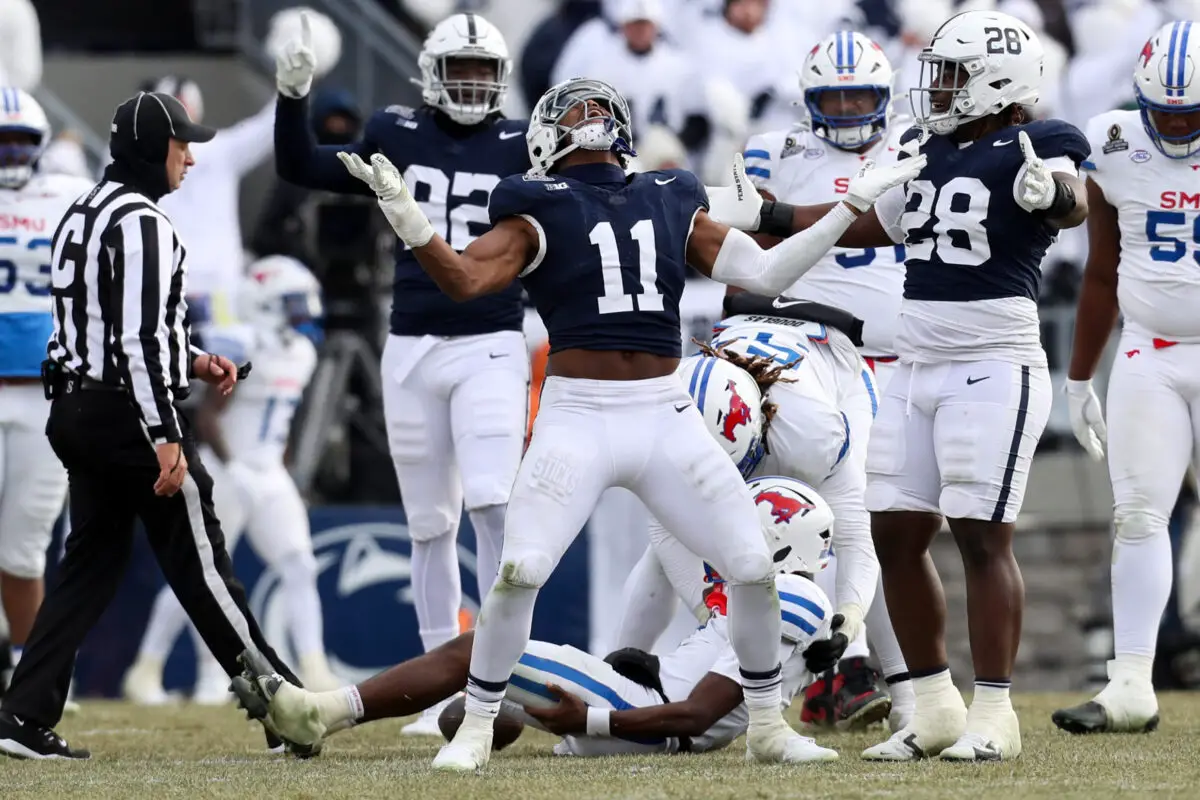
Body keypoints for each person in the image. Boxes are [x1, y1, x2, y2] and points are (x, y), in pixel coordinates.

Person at [336, 74, 922, 770]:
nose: (585, 120)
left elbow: (764, 276)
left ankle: (767, 726)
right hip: (579, 415)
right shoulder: (538, 206)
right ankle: (475, 726)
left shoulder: (668, 194)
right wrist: (413, 225)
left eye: (592, 110)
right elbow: (465, 281)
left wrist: (847, 207)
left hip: (662, 410)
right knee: (520, 570)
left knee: (750, 564)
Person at [706, 9, 1090, 761]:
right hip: (916, 361)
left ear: (1000, 82)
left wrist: (1054, 199)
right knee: (893, 530)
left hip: (993, 359)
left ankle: (996, 712)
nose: (938, 90)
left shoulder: (1041, 142)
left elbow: (1071, 198)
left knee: (982, 537)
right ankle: (935, 702)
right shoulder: (928, 149)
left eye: (953, 76)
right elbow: (868, 223)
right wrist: (774, 214)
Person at [0, 91, 303, 760]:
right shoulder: (144, 223)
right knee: (204, 566)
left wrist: (189, 358)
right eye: (180, 144)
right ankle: (287, 704)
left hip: (74, 406)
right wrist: (165, 433)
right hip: (128, 415)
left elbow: (104, 326)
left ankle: (22, 715)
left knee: (89, 566)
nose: (191, 158)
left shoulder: (80, 210)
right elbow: (135, 338)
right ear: (148, 150)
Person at [273, 12, 532, 734]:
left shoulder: (523, 143)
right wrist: (292, 102)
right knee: (428, 524)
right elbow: (302, 167)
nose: (475, 84)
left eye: (486, 72)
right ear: (431, 75)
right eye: (463, 71)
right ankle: (437, 683)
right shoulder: (396, 132)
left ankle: (501, 673)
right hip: (413, 342)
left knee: (491, 503)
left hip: (491, 338)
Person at [232, 476, 841, 759]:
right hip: (644, 707)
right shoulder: (801, 601)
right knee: (460, 710)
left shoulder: (790, 596)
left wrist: (595, 720)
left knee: (480, 648)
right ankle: (492, 716)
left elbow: (702, 713)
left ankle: (319, 713)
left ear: (777, 541)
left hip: (643, 715)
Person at [740, 29, 910, 731]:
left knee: (886, 528)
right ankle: (845, 673)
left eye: (858, 96)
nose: (844, 110)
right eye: (831, 97)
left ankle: (890, 684)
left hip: (900, 360)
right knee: (832, 526)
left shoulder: (913, 148)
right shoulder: (775, 154)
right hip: (811, 353)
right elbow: (747, 255)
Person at [1052, 20, 1200, 736]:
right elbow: (1102, 267)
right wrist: (1080, 377)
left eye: (1188, 113)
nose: (1173, 125)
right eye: (1161, 111)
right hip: (1151, 349)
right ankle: (1132, 683)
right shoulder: (1112, 141)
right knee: (1138, 516)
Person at [123, 256, 339, 705]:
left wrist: (280, 468)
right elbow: (207, 415)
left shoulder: (303, 352)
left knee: (299, 565)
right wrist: (234, 465)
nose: (304, 312)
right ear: (263, 302)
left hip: (268, 472)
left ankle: (314, 666)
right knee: (206, 575)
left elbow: (281, 422)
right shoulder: (242, 345)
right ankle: (156, 669)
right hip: (228, 469)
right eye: (294, 303)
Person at [0, 88, 94, 704]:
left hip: (43, 392)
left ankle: (35, 680)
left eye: (19, 141)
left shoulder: (66, 196)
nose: (9, 151)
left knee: (24, 545)